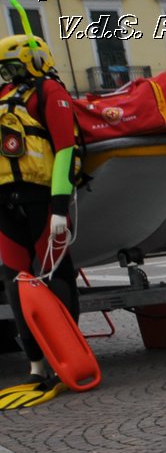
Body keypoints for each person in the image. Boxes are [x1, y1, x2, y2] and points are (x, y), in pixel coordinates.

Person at [0, 33, 81, 410]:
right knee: (15, 284)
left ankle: (67, 357)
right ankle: (36, 366)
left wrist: (61, 208)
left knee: (57, 276)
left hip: (42, 200)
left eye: (13, 67)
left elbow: (65, 149)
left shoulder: (49, 93)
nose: (9, 75)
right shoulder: (5, 99)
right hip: (6, 204)